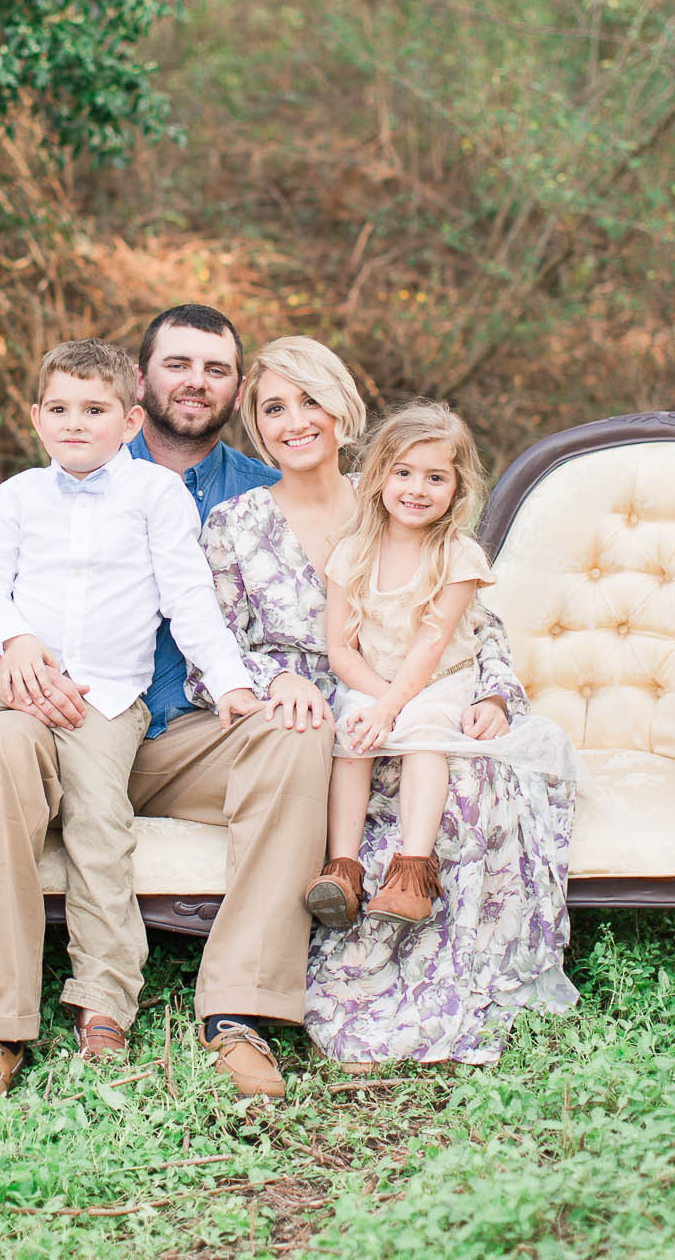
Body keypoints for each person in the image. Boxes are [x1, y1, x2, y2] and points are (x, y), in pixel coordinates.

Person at [0, 305, 332, 1100]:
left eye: (215, 369)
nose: (196, 381)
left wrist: (263, 682)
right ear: (142, 382)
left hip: (175, 728)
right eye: (178, 363)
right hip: (52, 715)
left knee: (295, 737)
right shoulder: (41, 479)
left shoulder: (264, 494)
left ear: (235, 387)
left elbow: (258, 615)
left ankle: (235, 1014)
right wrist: (9, 661)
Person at [192, 337, 577, 1069]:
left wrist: (494, 695)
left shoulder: (401, 500)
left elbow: (467, 629)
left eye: (311, 400)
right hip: (315, 718)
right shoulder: (233, 525)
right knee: (349, 758)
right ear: (255, 424)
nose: (294, 420)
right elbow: (212, 648)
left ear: (344, 407)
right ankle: (349, 941)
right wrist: (279, 680)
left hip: (422, 702)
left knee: (468, 779)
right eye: (273, 407)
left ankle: (443, 955)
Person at [0, 336, 256, 1067]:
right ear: (36, 417)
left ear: (128, 417)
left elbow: (190, 599)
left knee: (98, 826)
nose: (75, 423)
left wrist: (233, 680)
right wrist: (13, 648)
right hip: (18, 693)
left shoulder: (164, 495)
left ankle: (104, 1000)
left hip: (110, 702)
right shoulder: (19, 494)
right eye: (60, 409)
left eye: (93, 409)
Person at [311, 402, 512, 927]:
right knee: (348, 735)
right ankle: (344, 870)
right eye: (403, 472)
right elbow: (340, 650)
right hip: (372, 679)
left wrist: (394, 709)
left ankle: (412, 873)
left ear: (458, 488)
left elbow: (431, 645)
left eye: (435, 477)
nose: (416, 489)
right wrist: (377, 704)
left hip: (440, 679)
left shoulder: (457, 556)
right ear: (379, 476)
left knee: (424, 732)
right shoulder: (352, 553)